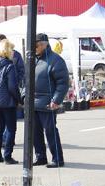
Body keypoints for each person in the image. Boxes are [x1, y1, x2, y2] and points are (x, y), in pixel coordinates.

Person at [32, 33, 68, 168]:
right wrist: (24, 96)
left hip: (48, 103)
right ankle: (40, 156)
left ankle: (57, 158)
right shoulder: (33, 59)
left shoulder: (56, 60)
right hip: (33, 103)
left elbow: (63, 83)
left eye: (36, 45)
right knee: (35, 132)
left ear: (43, 44)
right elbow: (25, 80)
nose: (34, 48)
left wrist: (56, 100)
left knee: (50, 131)